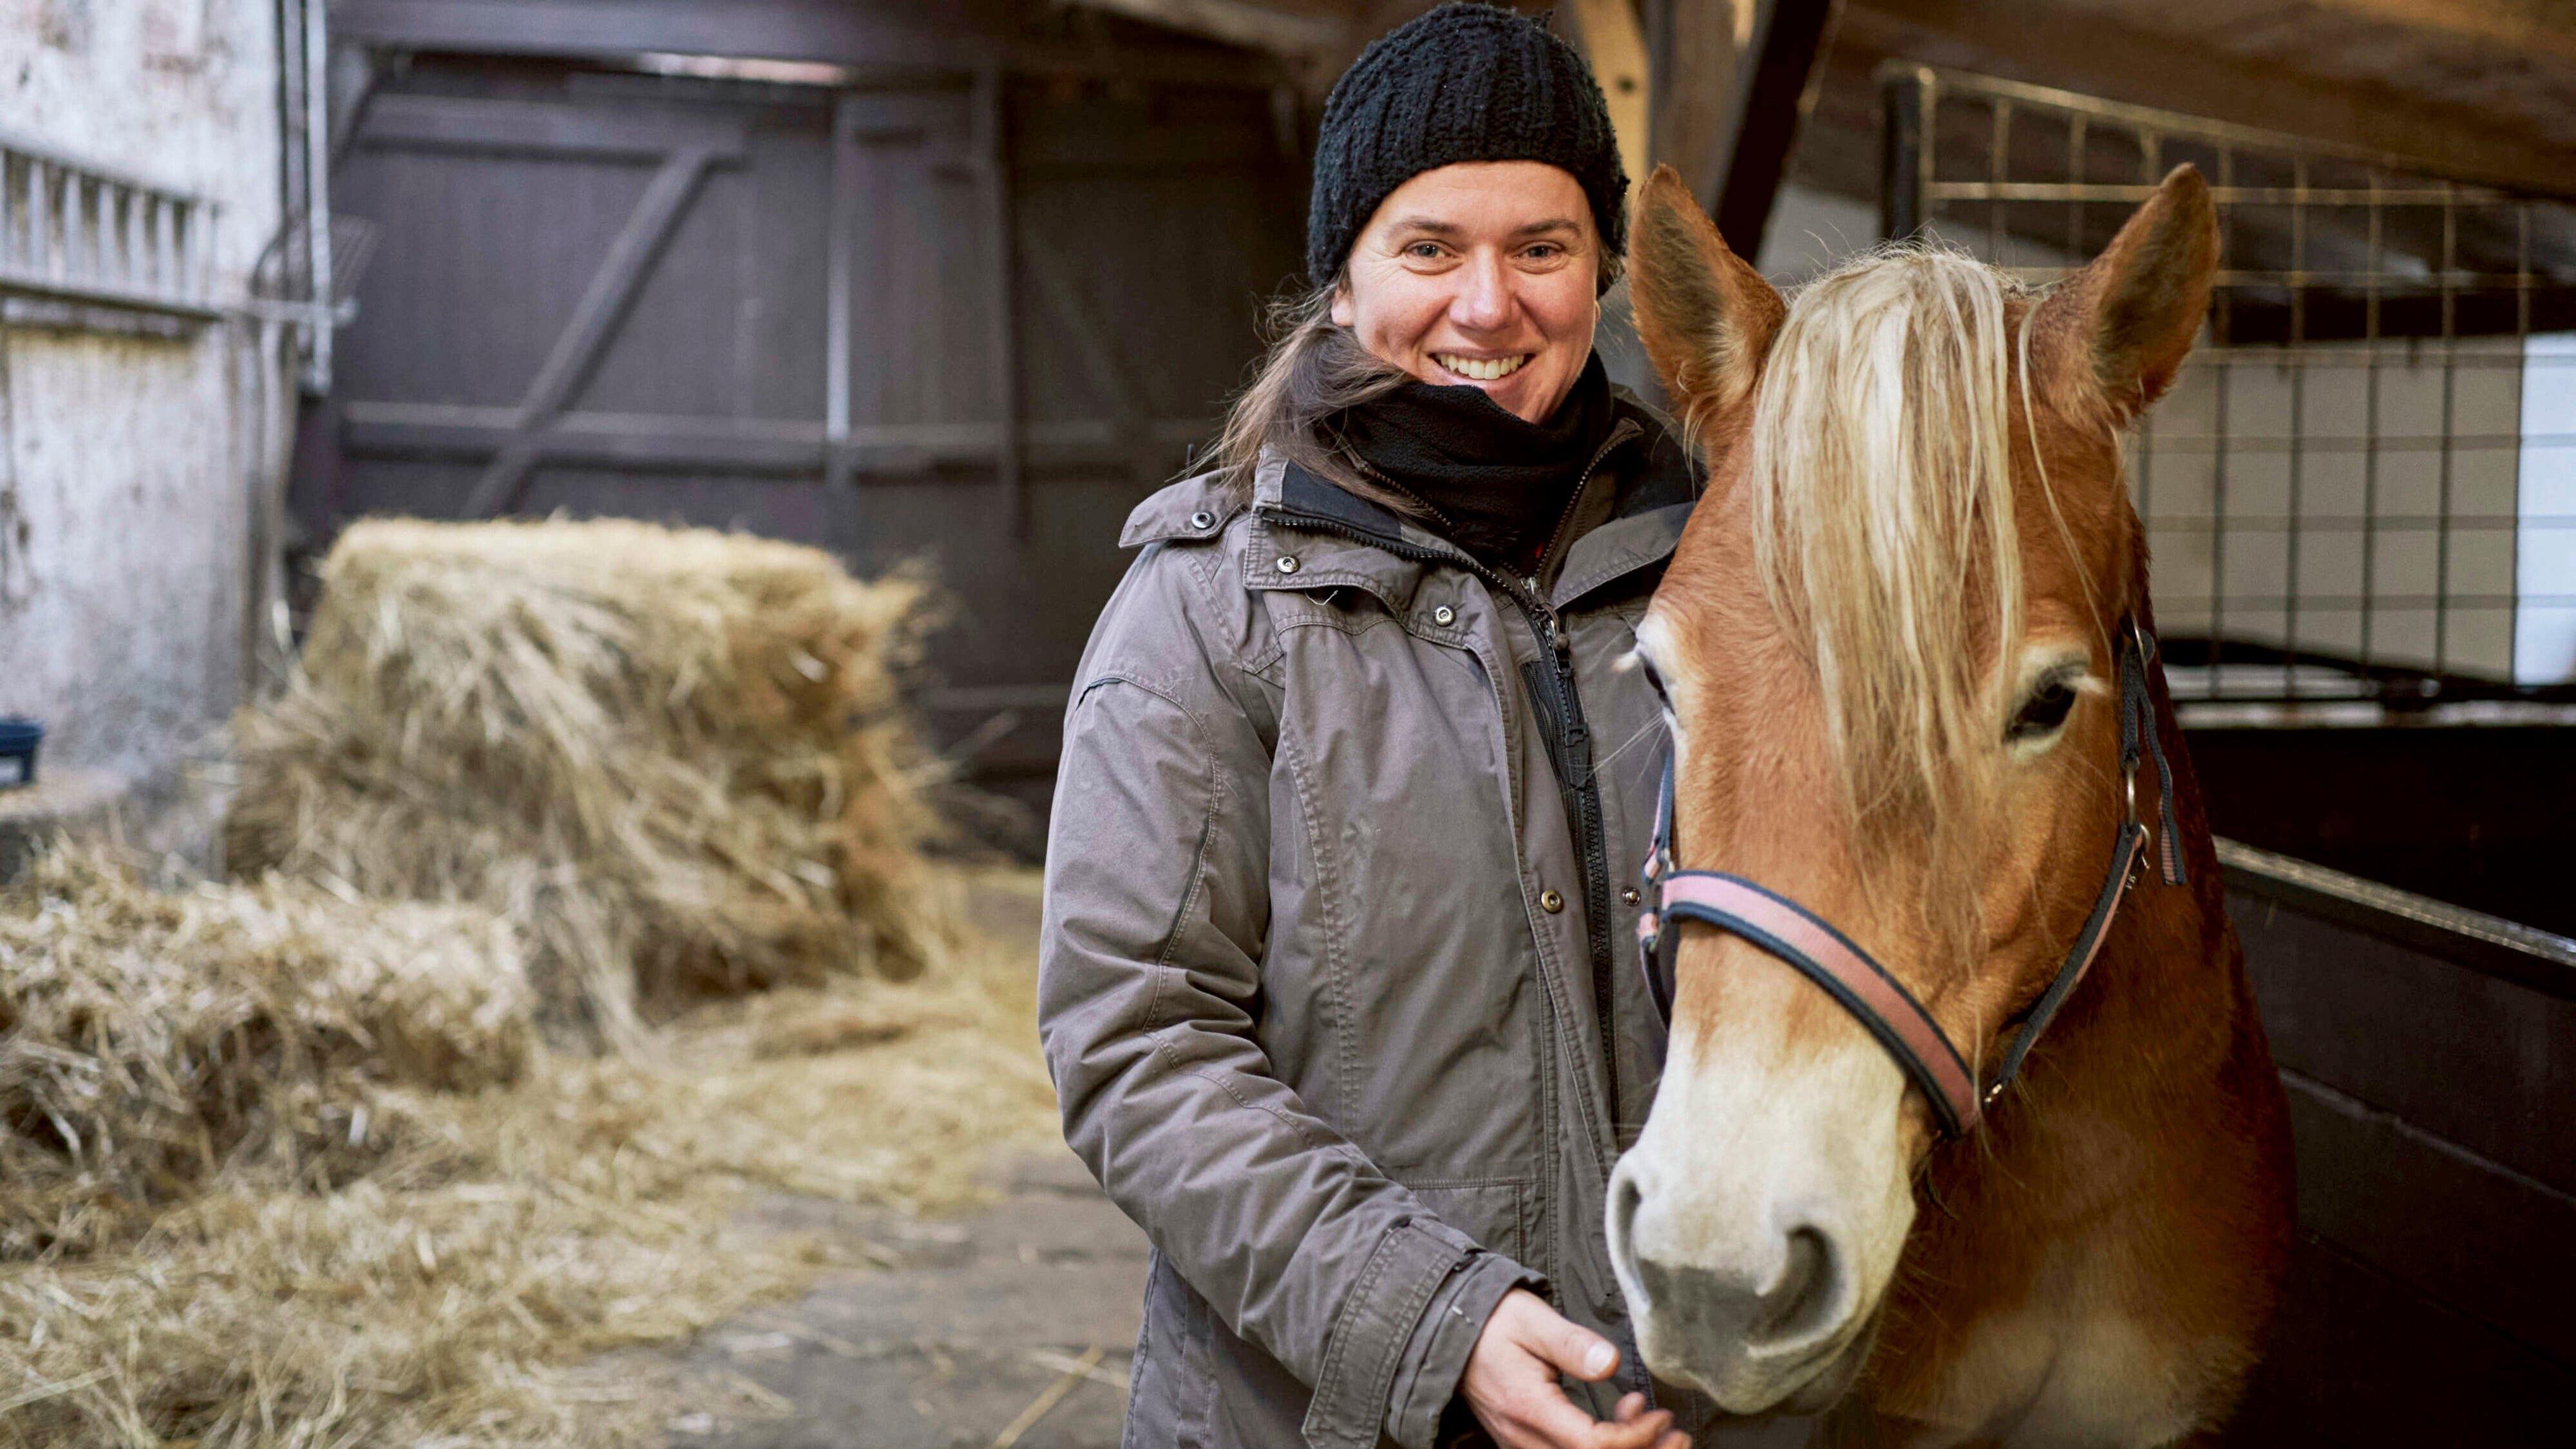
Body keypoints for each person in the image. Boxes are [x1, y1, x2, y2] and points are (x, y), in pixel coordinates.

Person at [1039, 6, 1702, 1446]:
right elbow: (1135, 1042)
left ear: (1601, 273)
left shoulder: (1716, 589)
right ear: (1340, 285)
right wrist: (1435, 1320)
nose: (1486, 304)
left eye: (1540, 247)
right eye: (1426, 248)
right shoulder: (1211, 615)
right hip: (1334, 1410)